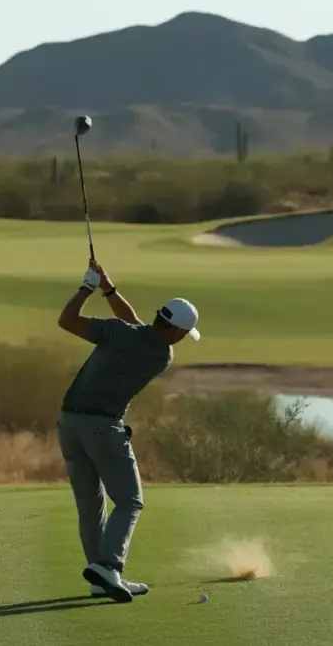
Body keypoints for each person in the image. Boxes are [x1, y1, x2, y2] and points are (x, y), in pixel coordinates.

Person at [56, 258, 200, 603]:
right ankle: (109, 566)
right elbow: (132, 326)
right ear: (177, 332)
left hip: (69, 423)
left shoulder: (120, 333)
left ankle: (99, 578)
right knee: (130, 501)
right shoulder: (161, 355)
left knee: (91, 505)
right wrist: (105, 288)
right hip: (103, 428)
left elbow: (69, 321)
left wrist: (89, 287)